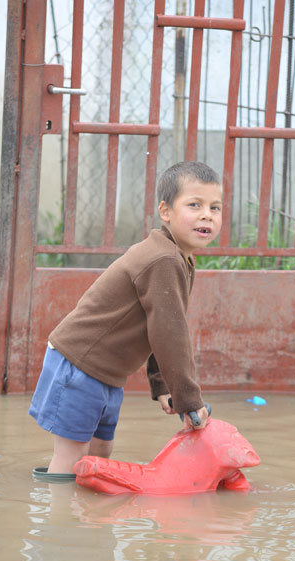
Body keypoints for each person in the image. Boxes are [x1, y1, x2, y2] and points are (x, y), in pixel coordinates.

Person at [29, 161, 223, 473]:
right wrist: (188, 400)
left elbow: (161, 324)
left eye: (215, 207)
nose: (207, 215)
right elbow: (169, 335)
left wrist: (162, 386)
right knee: (73, 456)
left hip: (106, 374)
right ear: (166, 211)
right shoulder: (163, 258)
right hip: (79, 364)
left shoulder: (179, 259)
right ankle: (60, 519)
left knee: (100, 451)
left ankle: (88, 518)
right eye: (194, 205)